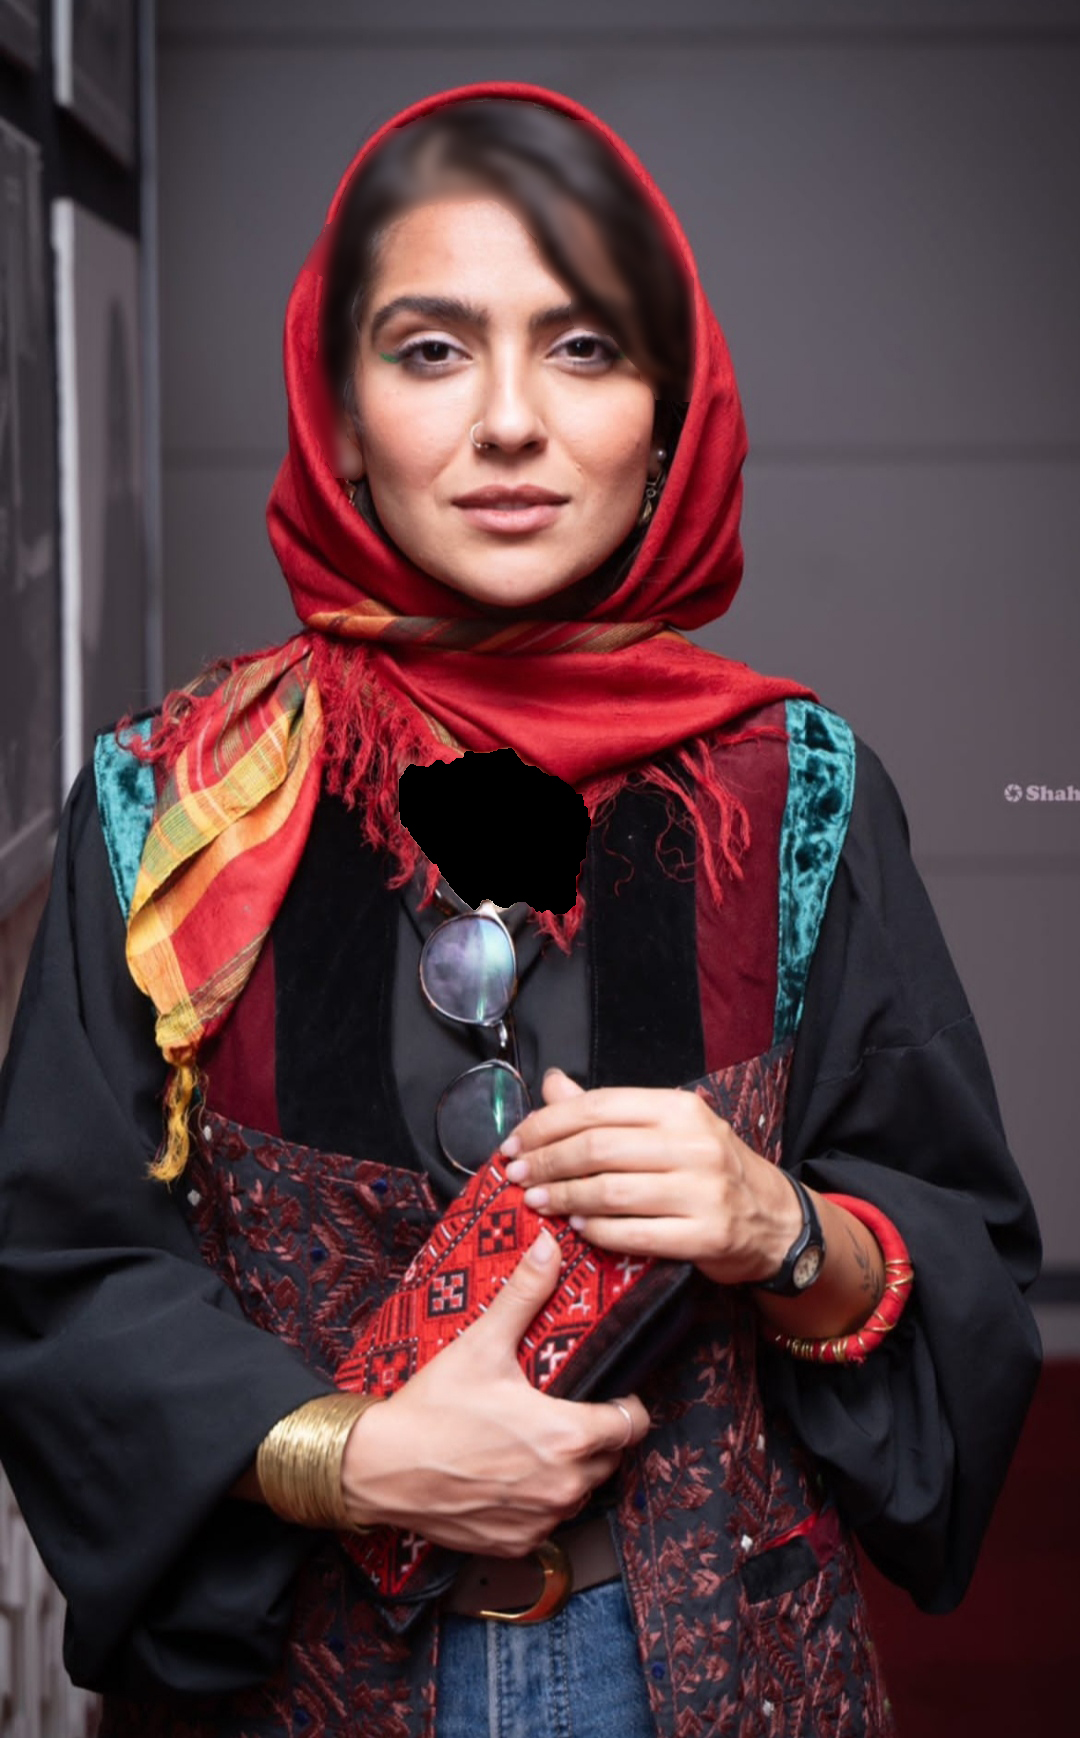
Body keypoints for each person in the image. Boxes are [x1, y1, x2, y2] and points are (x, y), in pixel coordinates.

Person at [0, 80, 1042, 1738]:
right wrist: (349, 1455)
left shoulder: (797, 794)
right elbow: (60, 1271)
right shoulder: (176, 800)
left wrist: (783, 1227)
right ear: (338, 409)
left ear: (670, 413)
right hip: (299, 1689)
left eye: (584, 348)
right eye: (430, 348)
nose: (508, 421)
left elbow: (960, 1252)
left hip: (719, 1680)